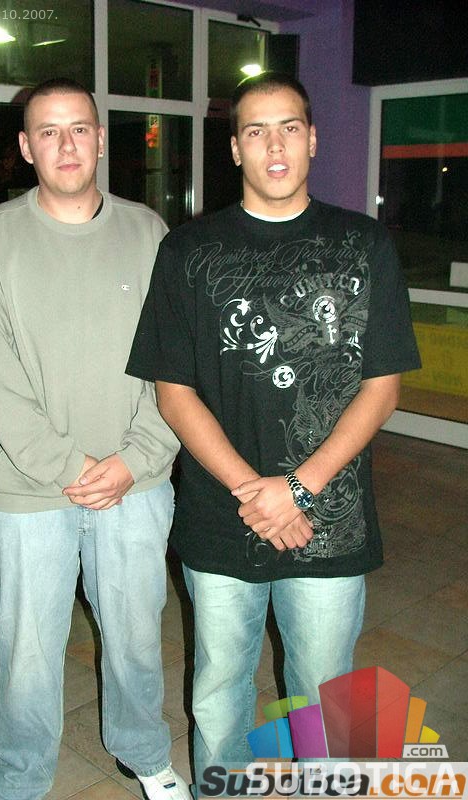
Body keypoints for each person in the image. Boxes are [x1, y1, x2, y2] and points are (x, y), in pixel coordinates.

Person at [126, 72, 421, 794]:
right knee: (219, 690)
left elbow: (382, 387)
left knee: (324, 695)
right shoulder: (187, 251)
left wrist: (298, 488)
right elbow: (173, 392)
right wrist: (255, 492)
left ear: (313, 139)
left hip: (329, 519)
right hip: (221, 514)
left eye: (289, 127)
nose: (275, 145)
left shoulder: (363, 243)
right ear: (235, 149)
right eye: (255, 131)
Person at [0, 78, 189, 800]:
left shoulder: (148, 233)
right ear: (26, 147)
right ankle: (20, 779)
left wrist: (134, 460)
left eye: (79, 128)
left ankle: (144, 752)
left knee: (137, 638)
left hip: (134, 487)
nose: (66, 144)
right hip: (26, 490)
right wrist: (70, 465)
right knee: (25, 652)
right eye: (48, 131)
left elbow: (177, 362)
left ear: (101, 139)